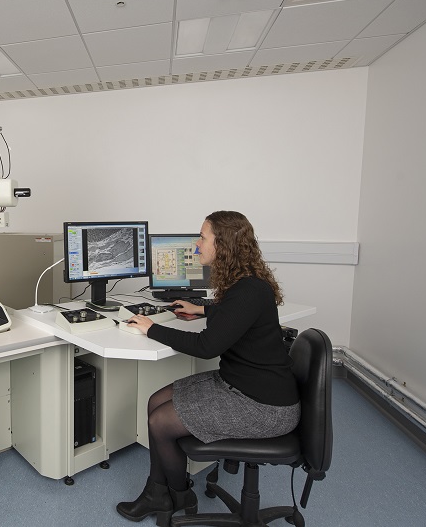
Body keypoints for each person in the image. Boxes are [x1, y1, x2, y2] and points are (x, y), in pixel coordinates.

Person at [116, 211, 301, 524]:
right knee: (154, 402)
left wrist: (151, 327)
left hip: (263, 407)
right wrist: (201, 308)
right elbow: (234, 312)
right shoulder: (246, 286)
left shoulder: (249, 291)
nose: (197, 245)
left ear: (224, 245)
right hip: (243, 384)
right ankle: (157, 492)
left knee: (161, 421)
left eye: (202, 238)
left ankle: (177, 493)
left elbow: (206, 347)